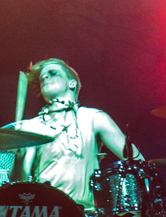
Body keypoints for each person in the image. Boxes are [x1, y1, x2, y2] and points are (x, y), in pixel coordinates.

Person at [7, 58, 131, 209]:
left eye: (53, 73)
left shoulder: (94, 118)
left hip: (85, 214)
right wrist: (18, 157)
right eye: (42, 78)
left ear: (71, 83)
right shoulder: (30, 126)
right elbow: (20, 185)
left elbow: (137, 162)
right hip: (45, 213)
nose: (45, 77)